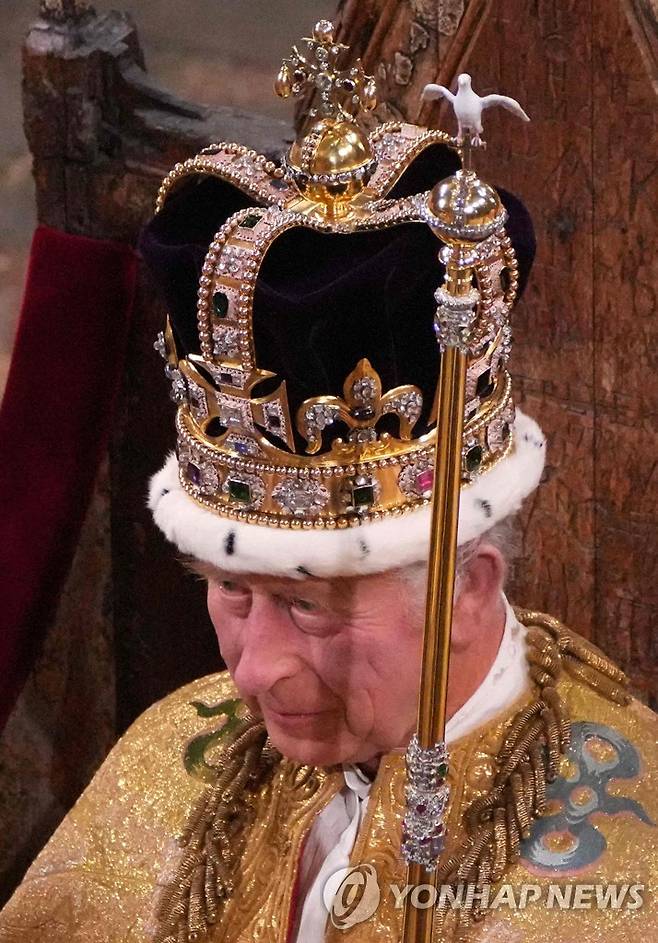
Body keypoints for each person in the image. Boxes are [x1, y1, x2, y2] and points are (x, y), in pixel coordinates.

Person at [1, 19, 656, 943]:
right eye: (232, 590)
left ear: (467, 587)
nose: (251, 670)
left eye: (308, 605)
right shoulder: (176, 750)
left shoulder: (626, 876)